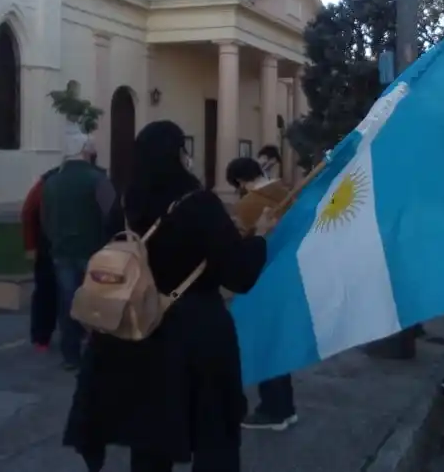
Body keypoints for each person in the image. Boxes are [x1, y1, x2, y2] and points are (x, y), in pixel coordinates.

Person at [63, 120, 270, 472]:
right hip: (195, 335)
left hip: (136, 329)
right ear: (178, 155)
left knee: (148, 437)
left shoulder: (125, 205)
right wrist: (259, 237)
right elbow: (238, 274)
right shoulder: (200, 204)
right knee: (213, 434)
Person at [225, 157, 299, 431]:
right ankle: (286, 407)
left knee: (264, 345)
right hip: (287, 276)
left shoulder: (248, 205)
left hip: (260, 279)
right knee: (278, 343)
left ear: (240, 181)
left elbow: (236, 246)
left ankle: (273, 409)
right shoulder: (289, 193)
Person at [41, 136, 116, 370]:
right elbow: (112, 214)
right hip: (93, 250)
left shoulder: (51, 181)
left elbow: (45, 218)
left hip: (62, 251)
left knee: (68, 304)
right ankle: (99, 353)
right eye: (91, 147)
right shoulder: (97, 179)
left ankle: (70, 355)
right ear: (84, 151)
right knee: (97, 304)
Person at [21, 167, 61, 351]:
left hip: (47, 246)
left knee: (45, 291)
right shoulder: (93, 178)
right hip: (61, 246)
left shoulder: (44, 184)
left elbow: (28, 213)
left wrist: (30, 246)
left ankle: (41, 337)